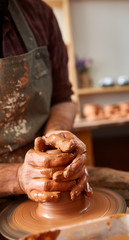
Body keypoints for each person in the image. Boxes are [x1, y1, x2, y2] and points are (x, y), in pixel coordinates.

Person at [0, 0, 90, 202]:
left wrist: (56, 140)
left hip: (47, 177)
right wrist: (17, 177)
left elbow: (62, 100)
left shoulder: (39, 14)